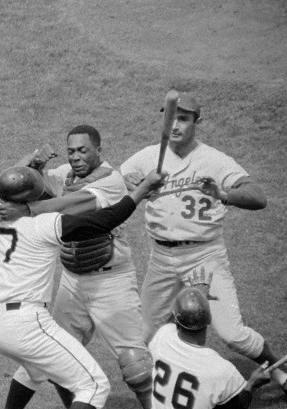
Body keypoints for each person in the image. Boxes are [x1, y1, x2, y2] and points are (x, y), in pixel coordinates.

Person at [119, 91, 287, 393]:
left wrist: (223, 194)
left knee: (233, 334)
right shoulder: (147, 157)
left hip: (204, 256)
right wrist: (132, 183)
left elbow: (258, 197)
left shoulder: (214, 160)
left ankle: (280, 371)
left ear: (198, 122)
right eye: (171, 118)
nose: (175, 125)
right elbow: (115, 181)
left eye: (183, 119)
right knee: (144, 335)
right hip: (161, 258)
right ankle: (175, 384)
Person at [0, 125, 153, 409]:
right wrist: (37, 164)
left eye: (83, 151)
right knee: (48, 362)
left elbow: (73, 204)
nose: (75, 157)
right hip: (72, 280)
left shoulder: (112, 180)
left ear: (98, 150)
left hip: (110, 280)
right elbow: (26, 183)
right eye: (71, 151)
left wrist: (29, 210)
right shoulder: (65, 174)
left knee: (136, 367)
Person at [149, 267, 271, 409]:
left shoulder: (162, 338)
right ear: (208, 320)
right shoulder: (221, 370)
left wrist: (195, 296)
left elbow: (171, 322)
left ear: (177, 320)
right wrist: (252, 384)